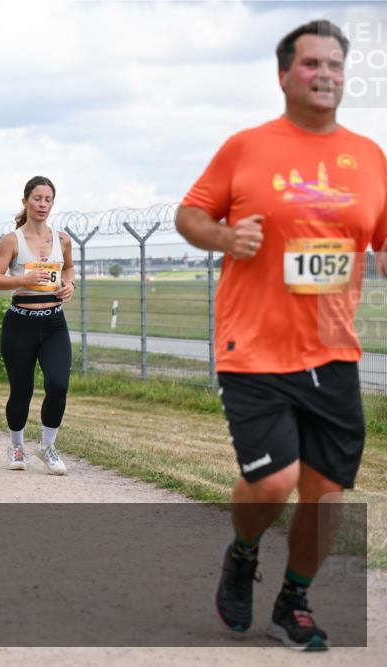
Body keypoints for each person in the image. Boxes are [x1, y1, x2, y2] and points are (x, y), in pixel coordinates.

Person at [176, 20, 387, 651]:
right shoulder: (247, 147)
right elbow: (190, 214)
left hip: (333, 349)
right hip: (254, 347)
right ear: (283, 74)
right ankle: (243, 552)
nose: (325, 75)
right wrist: (223, 236)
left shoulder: (370, 157)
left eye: (335, 65)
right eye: (311, 63)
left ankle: (294, 601)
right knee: (273, 481)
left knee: (326, 496)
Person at [0, 176, 74, 475]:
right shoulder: (12, 240)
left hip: (54, 324)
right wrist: (23, 279)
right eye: (37, 198)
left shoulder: (62, 239)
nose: (43, 204)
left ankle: (48, 447)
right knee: (21, 390)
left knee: (58, 385)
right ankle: (16, 446)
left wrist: (70, 285)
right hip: (20, 324)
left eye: (48, 199)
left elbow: (69, 268)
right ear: (25, 201)